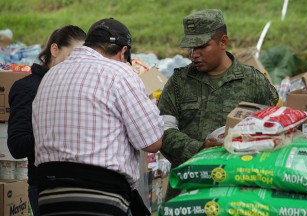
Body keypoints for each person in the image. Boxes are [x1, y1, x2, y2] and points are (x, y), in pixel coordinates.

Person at [32, 18, 163, 216]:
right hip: (102, 193)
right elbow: (152, 142)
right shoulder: (120, 73)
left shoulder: (50, 75)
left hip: (48, 194)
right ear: (123, 51)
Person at [157, 9, 279, 201]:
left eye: (201, 47)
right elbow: (162, 131)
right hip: (188, 190)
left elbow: (274, 128)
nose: (193, 54)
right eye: (190, 48)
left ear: (223, 42)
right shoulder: (179, 83)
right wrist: (198, 148)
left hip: (236, 190)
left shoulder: (253, 82)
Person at [7, 25, 86, 216]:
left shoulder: (78, 87)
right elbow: (17, 146)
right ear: (54, 49)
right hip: (46, 187)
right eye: (71, 57)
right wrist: (54, 129)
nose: (75, 65)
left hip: (82, 185)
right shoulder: (28, 88)